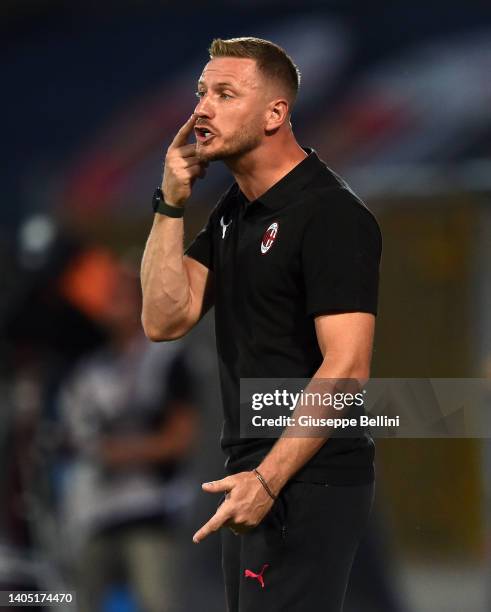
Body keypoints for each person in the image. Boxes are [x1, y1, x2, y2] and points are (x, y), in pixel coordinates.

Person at [141, 37, 382, 612]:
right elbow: (163, 319)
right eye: (201, 93)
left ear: (276, 114)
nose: (202, 108)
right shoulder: (234, 210)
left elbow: (347, 369)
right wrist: (171, 201)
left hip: (306, 479)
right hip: (252, 475)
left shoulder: (330, 214)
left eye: (226, 94)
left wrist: (269, 480)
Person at [58, 261, 198, 612]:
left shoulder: (167, 359)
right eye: (106, 298)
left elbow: (180, 438)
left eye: (118, 297)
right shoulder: (88, 371)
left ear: (140, 301)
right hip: (96, 511)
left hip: (152, 508)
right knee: (75, 600)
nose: (110, 306)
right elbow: (72, 437)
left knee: (157, 601)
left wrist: (120, 452)